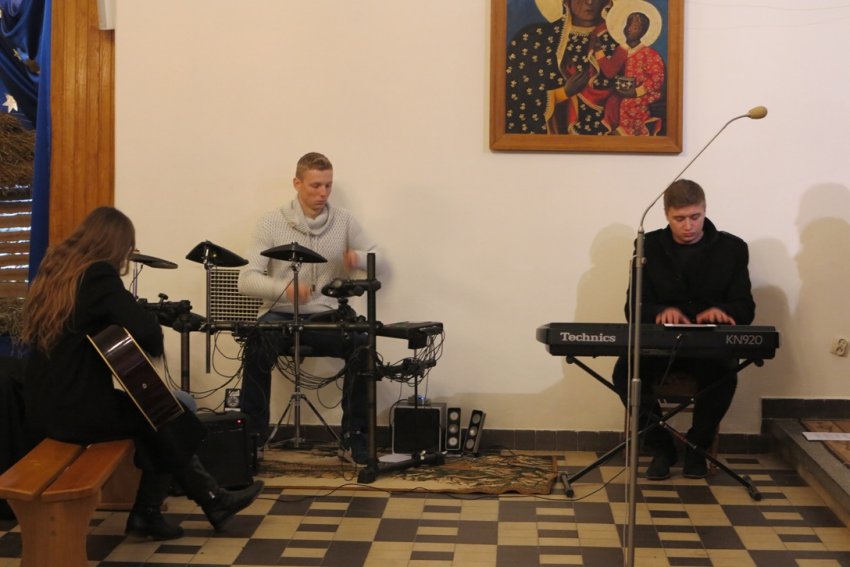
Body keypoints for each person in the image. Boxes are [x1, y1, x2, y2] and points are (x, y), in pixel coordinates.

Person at [20, 206, 264, 540]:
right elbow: (148, 335)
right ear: (116, 245)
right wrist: (144, 320)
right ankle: (170, 508)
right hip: (75, 412)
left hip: (44, 405)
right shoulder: (98, 275)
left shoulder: (58, 272)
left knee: (158, 413)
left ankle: (201, 502)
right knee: (164, 413)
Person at [238, 152, 381, 465]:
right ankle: (252, 439)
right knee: (256, 344)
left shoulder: (344, 220)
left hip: (326, 315)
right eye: (316, 185)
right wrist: (285, 290)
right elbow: (245, 280)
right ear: (297, 183)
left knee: (362, 344)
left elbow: (378, 258)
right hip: (279, 315)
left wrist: (358, 258)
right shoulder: (271, 221)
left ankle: (354, 436)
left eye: (328, 185)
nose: (323, 193)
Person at [611, 179, 755, 480]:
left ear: (705, 210)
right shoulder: (648, 246)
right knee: (624, 373)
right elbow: (633, 308)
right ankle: (662, 447)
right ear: (666, 214)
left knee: (725, 375)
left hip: (708, 349)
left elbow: (746, 308)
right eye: (679, 219)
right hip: (661, 346)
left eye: (695, 217)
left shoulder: (732, 248)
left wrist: (725, 312)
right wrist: (660, 312)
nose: (688, 226)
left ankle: (697, 447)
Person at [506, 0, 618, 135]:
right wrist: (563, 92)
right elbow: (518, 95)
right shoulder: (536, 39)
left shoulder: (618, 43)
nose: (589, 2)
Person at [594, 2, 665, 136]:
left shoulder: (650, 55)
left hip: (643, 95)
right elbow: (609, 71)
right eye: (628, 25)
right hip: (622, 92)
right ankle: (613, 130)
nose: (630, 30)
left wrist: (636, 92)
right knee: (612, 102)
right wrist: (598, 50)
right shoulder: (622, 50)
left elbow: (656, 80)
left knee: (628, 104)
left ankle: (630, 131)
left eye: (636, 27)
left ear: (643, 31)